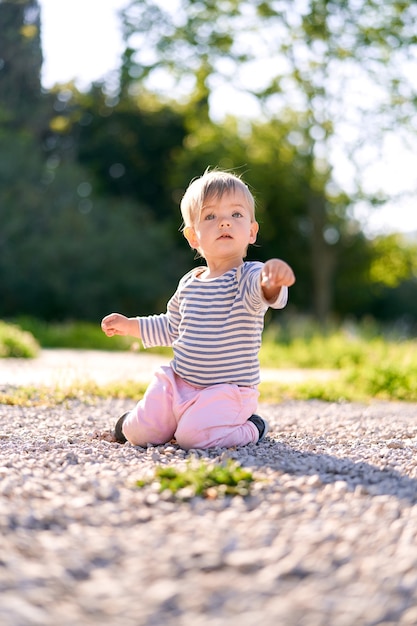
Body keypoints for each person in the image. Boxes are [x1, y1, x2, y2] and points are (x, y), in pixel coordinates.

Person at [101, 169, 295, 449]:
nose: (225, 223)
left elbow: (264, 293)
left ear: (252, 231)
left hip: (228, 392)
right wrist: (130, 325)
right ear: (193, 237)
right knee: (141, 434)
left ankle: (252, 427)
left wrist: (273, 282)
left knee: (193, 438)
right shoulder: (190, 282)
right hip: (180, 383)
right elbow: (171, 327)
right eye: (211, 216)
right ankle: (132, 423)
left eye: (236, 215)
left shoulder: (249, 275)